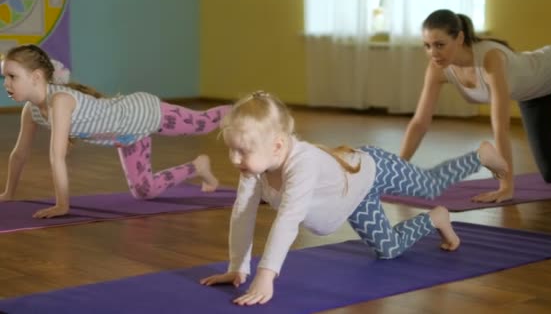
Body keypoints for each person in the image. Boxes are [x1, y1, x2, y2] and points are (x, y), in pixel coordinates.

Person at [200, 91, 508, 306]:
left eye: (243, 150)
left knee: (429, 185)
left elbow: (288, 220)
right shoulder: (254, 169)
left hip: (374, 168)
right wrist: (239, 266)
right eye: (231, 149)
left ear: (278, 146)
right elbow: (242, 212)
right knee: (388, 251)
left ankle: (480, 155)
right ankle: (436, 218)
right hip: (353, 199)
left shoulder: (301, 163)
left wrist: (266, 276)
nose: (234, 158)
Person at [400, 9, 551, 203]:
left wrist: (506, 187)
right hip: (534, 96)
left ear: (460, 38)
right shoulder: (438, 69)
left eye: (440, 44)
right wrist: (396, 170)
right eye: (427, 45)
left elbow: (501, 128)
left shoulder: (491, 59)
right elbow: (420, 122)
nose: (433, 53)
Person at [0, 44, 231, 218]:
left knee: (205, 123)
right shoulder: (32, 110)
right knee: (144, 191)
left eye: (12, 76)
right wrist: (8, 193)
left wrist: (63, 205)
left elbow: (57, 156)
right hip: (126, 138)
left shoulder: (59, 101)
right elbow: (19, 154)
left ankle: (248, 109)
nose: (5, 83)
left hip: (144, 113)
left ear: (36, 77)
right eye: (4, 77)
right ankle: (198, 166)